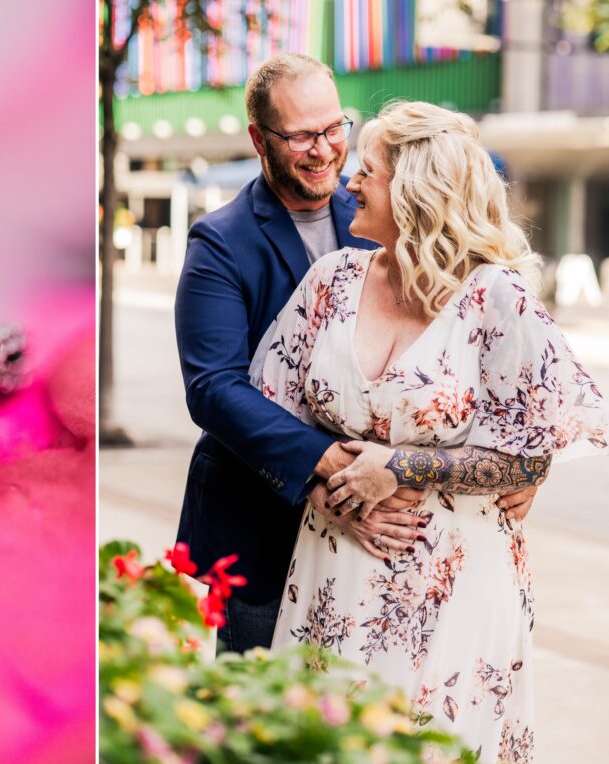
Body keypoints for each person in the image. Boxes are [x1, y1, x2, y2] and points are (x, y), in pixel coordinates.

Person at [260, 100, 609, 762]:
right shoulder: (331, 281)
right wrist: (322, 483)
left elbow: (532, 454)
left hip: (455, 583)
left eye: (369, 171)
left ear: (418, 188)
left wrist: (401, 468)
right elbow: (267, 413)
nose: (350, 183)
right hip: (333, 564)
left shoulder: (497, 298)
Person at [174, 53, 537, 654]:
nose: (325, 151)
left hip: (393, 543)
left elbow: (482, 353)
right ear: (259, 139)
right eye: (300, 136)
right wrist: (332, 475)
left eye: (333, 128)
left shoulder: (384, 207)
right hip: (264, 515)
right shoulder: (219, 241)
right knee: (263, 723)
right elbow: (213, 388)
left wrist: (515, 463)